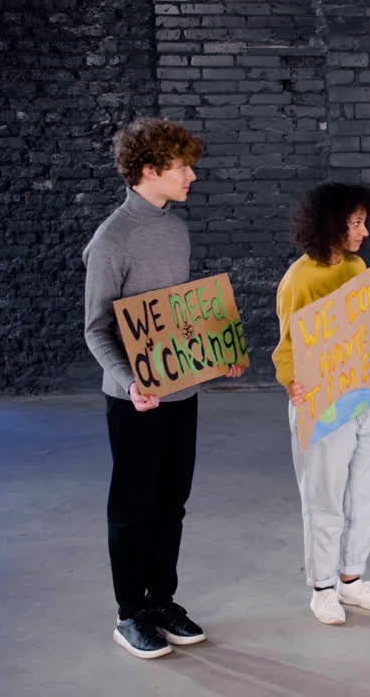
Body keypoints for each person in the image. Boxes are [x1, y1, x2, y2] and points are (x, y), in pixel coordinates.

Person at [83, 117, 243, 659]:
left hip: (180, 392)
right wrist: (130, 383)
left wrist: (221, 352)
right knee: (133, 507)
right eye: (182, 168)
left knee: (172, 501)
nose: (192, 176)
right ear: (149, 171)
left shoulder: (175, 228)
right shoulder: (111, 240)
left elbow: (177, 319)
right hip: (135, 399)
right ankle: (130, 613)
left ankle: (162, 600)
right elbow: (96, 328)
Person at [272, 183, 370, 625]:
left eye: (365, 221)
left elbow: (369, 328)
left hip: (366, 396)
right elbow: (288, 346)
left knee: (368, 494)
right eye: (357, 222)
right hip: (323, 406)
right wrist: (291, 381)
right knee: (324, 499)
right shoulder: (298, 279)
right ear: (332, 223)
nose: (365, 231)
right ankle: (322, 588)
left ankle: (351, 579)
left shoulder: (358, 266)